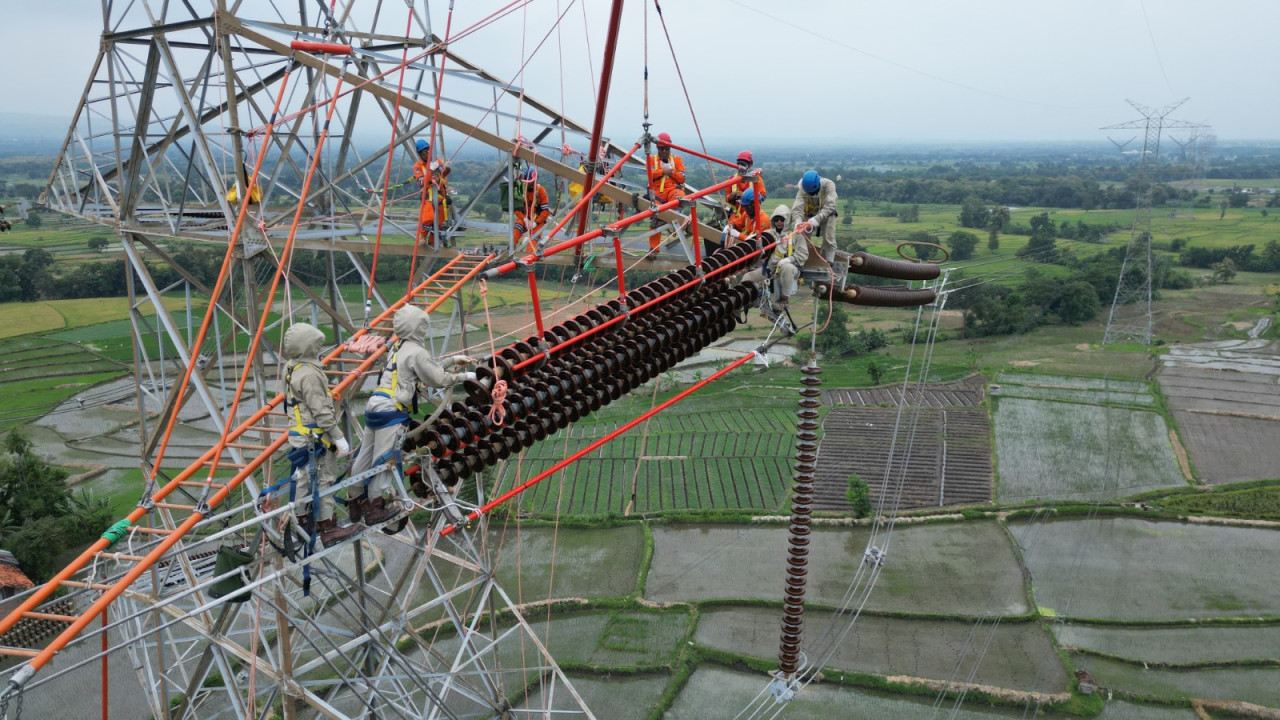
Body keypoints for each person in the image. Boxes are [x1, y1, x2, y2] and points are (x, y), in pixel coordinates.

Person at [347, 305, 477, 527]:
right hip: (391, 411)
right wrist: (465, 376)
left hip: (375, 405)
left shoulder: (399, 346)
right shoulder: (417, 351)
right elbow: (438, 378)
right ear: (418, 327)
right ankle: (375, 508)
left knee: (366, 457)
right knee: (385, 460)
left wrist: (454, 360)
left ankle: (355, 501)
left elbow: (428, 368)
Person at [282, 323, 360, 547]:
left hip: (300, 435)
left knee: (305, 480)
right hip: (315, 437)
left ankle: (304, 522)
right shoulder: (309, 375)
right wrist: (338, 438)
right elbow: (322, 413)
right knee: (324, 479)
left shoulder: (291, 367)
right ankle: (328, 527)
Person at [741, 203, 809, 312]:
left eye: (782, 220)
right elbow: (756, 245)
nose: (779, 222)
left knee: (787, 268)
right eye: (776, 220)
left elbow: (803, 254)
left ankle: (783, 300)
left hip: (790, 270)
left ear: (787, 220)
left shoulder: (796, 235)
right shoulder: (768, 234)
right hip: (770, 269)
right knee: (748, 277)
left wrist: (789, 259)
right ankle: (747, 298)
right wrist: (748, 240)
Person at [647, 132, 687, 253]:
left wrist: (671, 172)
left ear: (670, 147)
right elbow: (649, 175)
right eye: (661, 148)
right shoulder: (652, 159)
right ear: (657, 148)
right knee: (655, 215)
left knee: (680, 199)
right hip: (658, 194)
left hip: (673, 191)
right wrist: (662, 171)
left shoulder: (677, 160)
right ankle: (654, 249)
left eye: (666, 148)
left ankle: (670, 222)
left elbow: (682, 178)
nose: (664, 151)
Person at [791, 170, 839, 262]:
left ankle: (828, 260)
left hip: (826, 213)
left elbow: (830, 206)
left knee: (829, 236)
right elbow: (798, 206)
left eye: (813, 192)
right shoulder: (802, 187)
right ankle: (802, 257)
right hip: (808, 213)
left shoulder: (828, 185)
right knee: (801, 236)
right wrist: (798, 221)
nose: (811, 194)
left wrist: (817, 219)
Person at [412, 139, 448, 248]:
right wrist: (430, 171)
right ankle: (422, 237)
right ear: (420, 154)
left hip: (440, 196)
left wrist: (444, 167)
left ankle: (433, 243)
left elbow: (443, 173)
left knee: (440, 223)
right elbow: (421, 182)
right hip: (428, 197)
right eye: (424, 153)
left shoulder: (437, 161)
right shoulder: (418, 166)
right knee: (428, 218)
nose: (427, 154)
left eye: (428, 151)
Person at [513, 166, 551, 252]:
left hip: (537, 221)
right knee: (516, 230)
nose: (528, 184)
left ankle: (527, 259)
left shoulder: (540, 191)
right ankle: (511, 250)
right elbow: (517, 209)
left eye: (530, 182)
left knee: (532, 243)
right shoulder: (521, 190)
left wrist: (535, 223)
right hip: (524, 217)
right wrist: (524, 218)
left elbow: (545, 211)